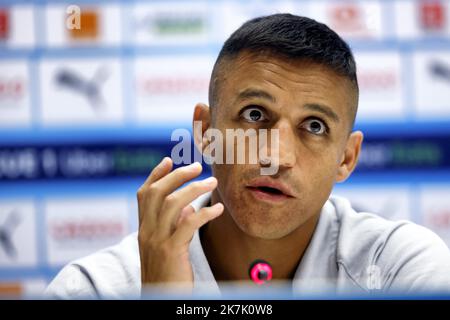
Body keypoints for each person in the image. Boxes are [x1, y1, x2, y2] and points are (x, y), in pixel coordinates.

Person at [45, 14, 450, 299]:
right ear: (205, 132)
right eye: (255, 115)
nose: (276, 156)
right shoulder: (93, 289)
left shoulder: (403, 270)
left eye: (314, 126)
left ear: (346, 157)